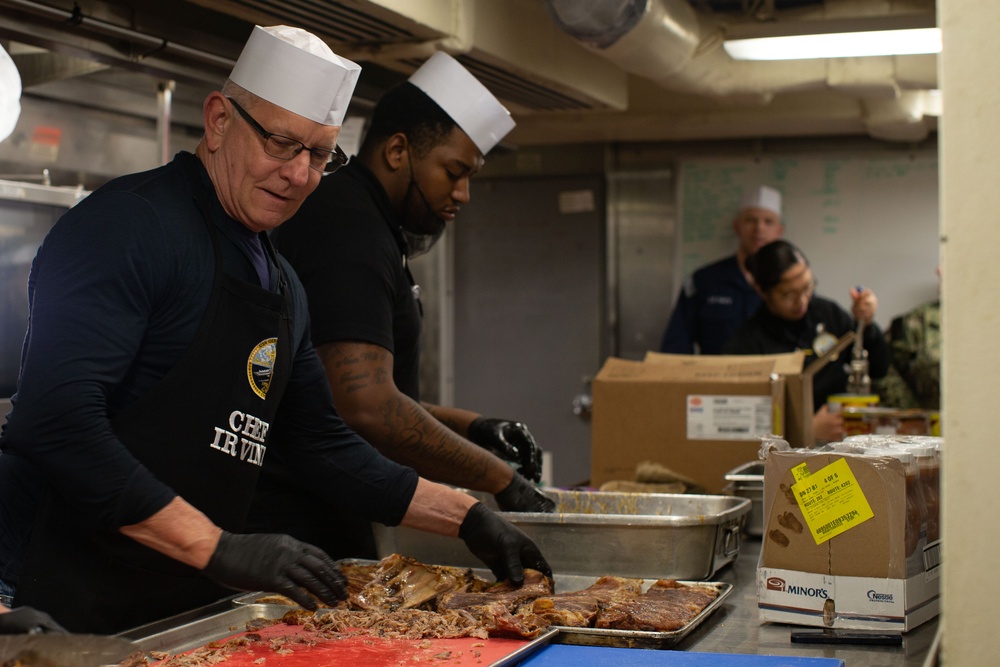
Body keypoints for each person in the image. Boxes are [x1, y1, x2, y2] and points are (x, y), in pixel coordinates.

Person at [0, 25, 549, 635]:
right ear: (218, 120)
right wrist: (217, 546)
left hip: (171, 601)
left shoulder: (281, 281)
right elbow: (56, 421)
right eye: (282, 144)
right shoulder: (126, 228)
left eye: (320, 155)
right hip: (50, 592)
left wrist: (466, 515)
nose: (300, 176)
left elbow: (321, 444)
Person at [264, 52, 554, 559]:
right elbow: (365, 406)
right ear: (398, 151)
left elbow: (373, 387)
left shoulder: (373, 225)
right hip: (300, 528)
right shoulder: (349, 227)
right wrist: (499, 479)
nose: (461, 194)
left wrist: (473, 425)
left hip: (333, 513)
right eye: (453, 171)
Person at [722, 240, 889, 443]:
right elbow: (739, 420)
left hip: (842, 443)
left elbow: (879, 368)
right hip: (784, 453)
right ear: (761, 291)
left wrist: (866, 325)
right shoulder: (749, 342)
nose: (801, 301)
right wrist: (805, 429)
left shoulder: (829, 315)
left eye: (807, 287)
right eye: (788, 295)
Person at [659, 185, 786, 354]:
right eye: (751, 220)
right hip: (715, 378)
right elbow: (676, 345)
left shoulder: (790, 283)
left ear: (779, 231)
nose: (759, 229)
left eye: (768, 221)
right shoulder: (704, 280)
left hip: (773, 377)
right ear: (737, 226)